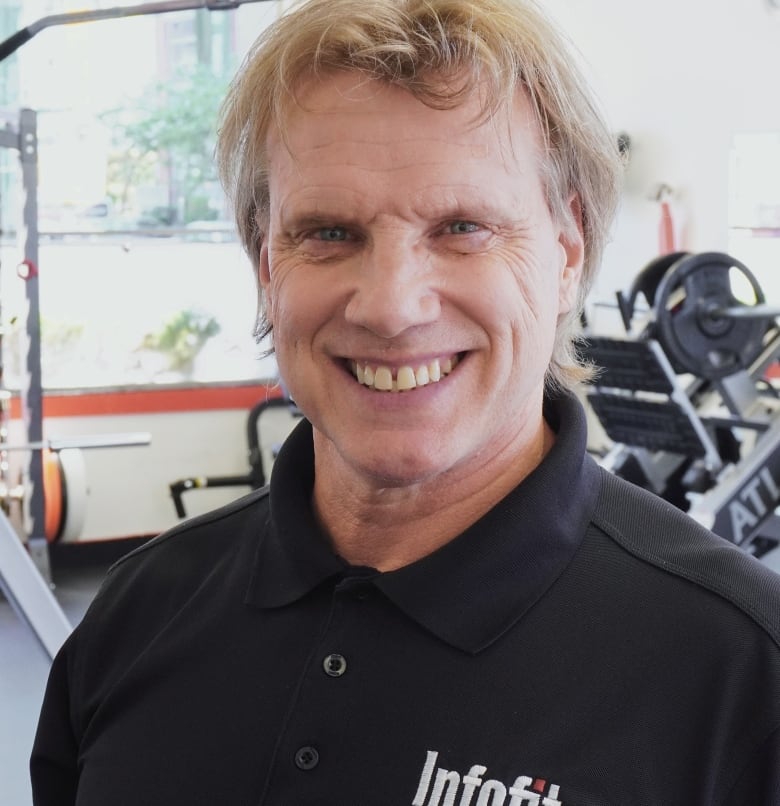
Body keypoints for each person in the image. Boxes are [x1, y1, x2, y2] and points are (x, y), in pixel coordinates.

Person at [31, 0, 780, 803]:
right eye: (328, 233)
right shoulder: (140, 611)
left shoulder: (739, 670)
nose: (390, 307)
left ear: (567, 252)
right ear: (265, 264)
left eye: (462, 226)